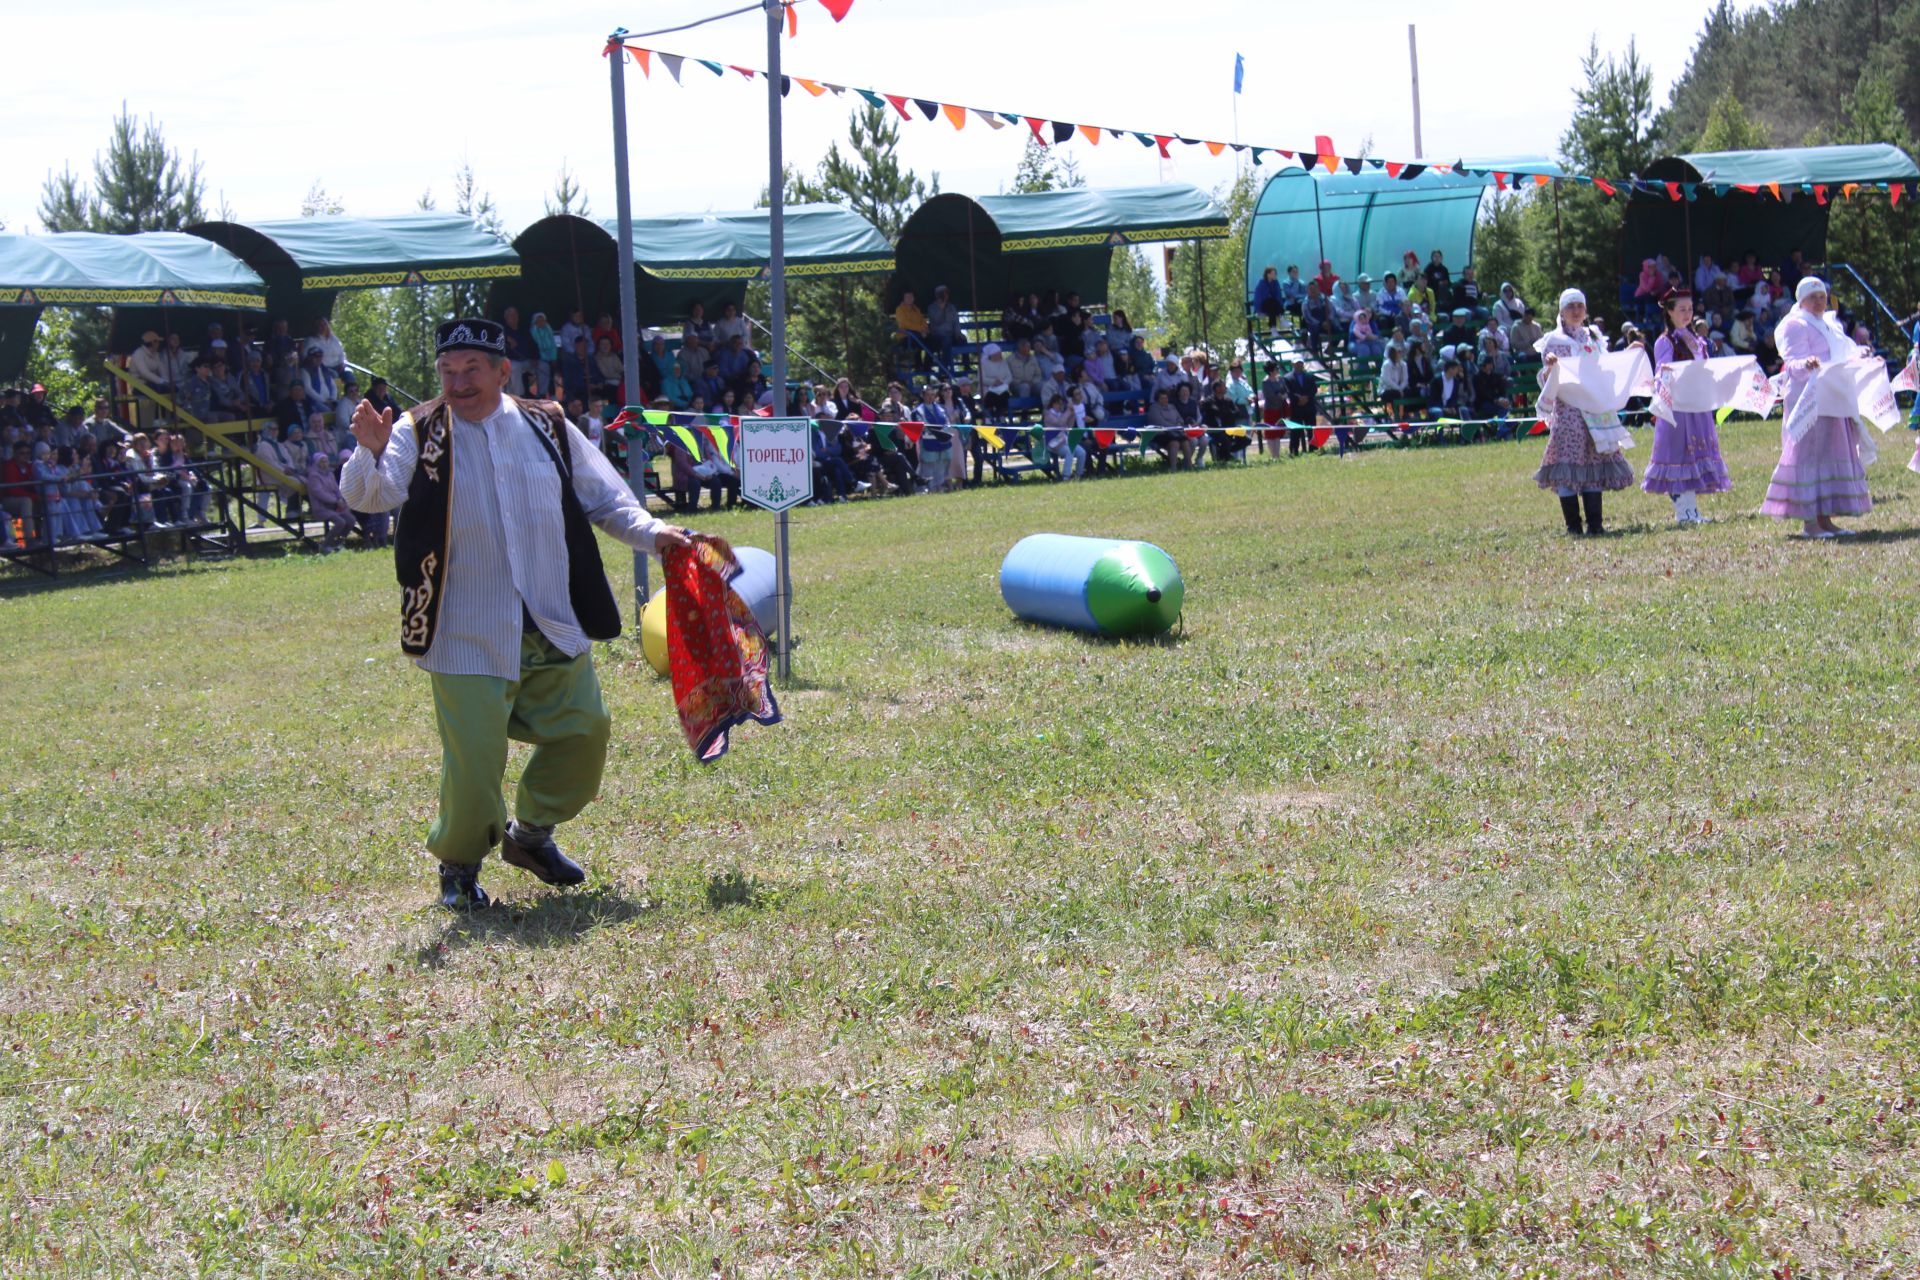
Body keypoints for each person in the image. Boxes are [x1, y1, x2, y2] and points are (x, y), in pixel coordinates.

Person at [340, 318, 711, 909]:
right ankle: (458, 869)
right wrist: (371, 449)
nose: (458, 382)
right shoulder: (416, 429)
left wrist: (654, 533)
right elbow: (370, 496)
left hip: (548, 619)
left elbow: (606, 497)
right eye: (448, 371)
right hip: (464, 630)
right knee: (475, 763)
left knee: (586, 730)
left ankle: (531, 836)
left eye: (472, 370)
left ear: (503, 371)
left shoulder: (548, 424)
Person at [1761, 278, 1874, 538]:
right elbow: (1792, 362)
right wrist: (1807, 364)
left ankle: (1826, 520)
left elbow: (1844, 352)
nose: (1819, 301)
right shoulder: (1795, 325)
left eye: (1822, 296)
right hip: (1808, 399)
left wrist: (1863, 355)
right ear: (1801, 300)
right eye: (1813, 297)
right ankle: (1810, 523)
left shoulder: (1830, 325)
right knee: (1808, 457)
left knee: (1828, 455)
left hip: (1833, 397)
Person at [1535, 288, 1634, 536]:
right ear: (1562, 311)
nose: (1576, 311)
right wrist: (1550, 368)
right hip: (1568, 411)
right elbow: (1547, 378)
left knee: (1592, 460)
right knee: (1568, 462)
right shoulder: (1554, 341)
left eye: (1580, 305)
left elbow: (1604, 369)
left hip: (1594, 410)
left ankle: (1595, 524)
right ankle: (1573, 526)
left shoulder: (1594, 339)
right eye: (1571, 306)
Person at [1642, 287, 1733, 525]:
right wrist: (1671, 375)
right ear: (1669, 312)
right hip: (1678, 407)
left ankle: (1691, 510)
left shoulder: (1697, 340)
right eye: (1681, 309)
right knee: (1679, 455)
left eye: (1690, 309)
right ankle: (1684, 510)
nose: (1687, 313)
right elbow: (1661, 371)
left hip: (1698, 404)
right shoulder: (1666, 341)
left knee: (1695, 455)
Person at [1253, 266, 1284, 332]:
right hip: (1263, 306)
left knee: (1272, 306)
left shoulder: (1275, 283)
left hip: (1272, 306)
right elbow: (1258, 298)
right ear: (1268, 274)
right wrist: (1258, 310)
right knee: (1271, 302)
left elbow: (1278, 295)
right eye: (1273, 273)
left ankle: (1273, 329)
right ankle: (1281, 319)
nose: (1274, 275)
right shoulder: (1262, 283)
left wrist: (1276, 283)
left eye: (1275, 273)